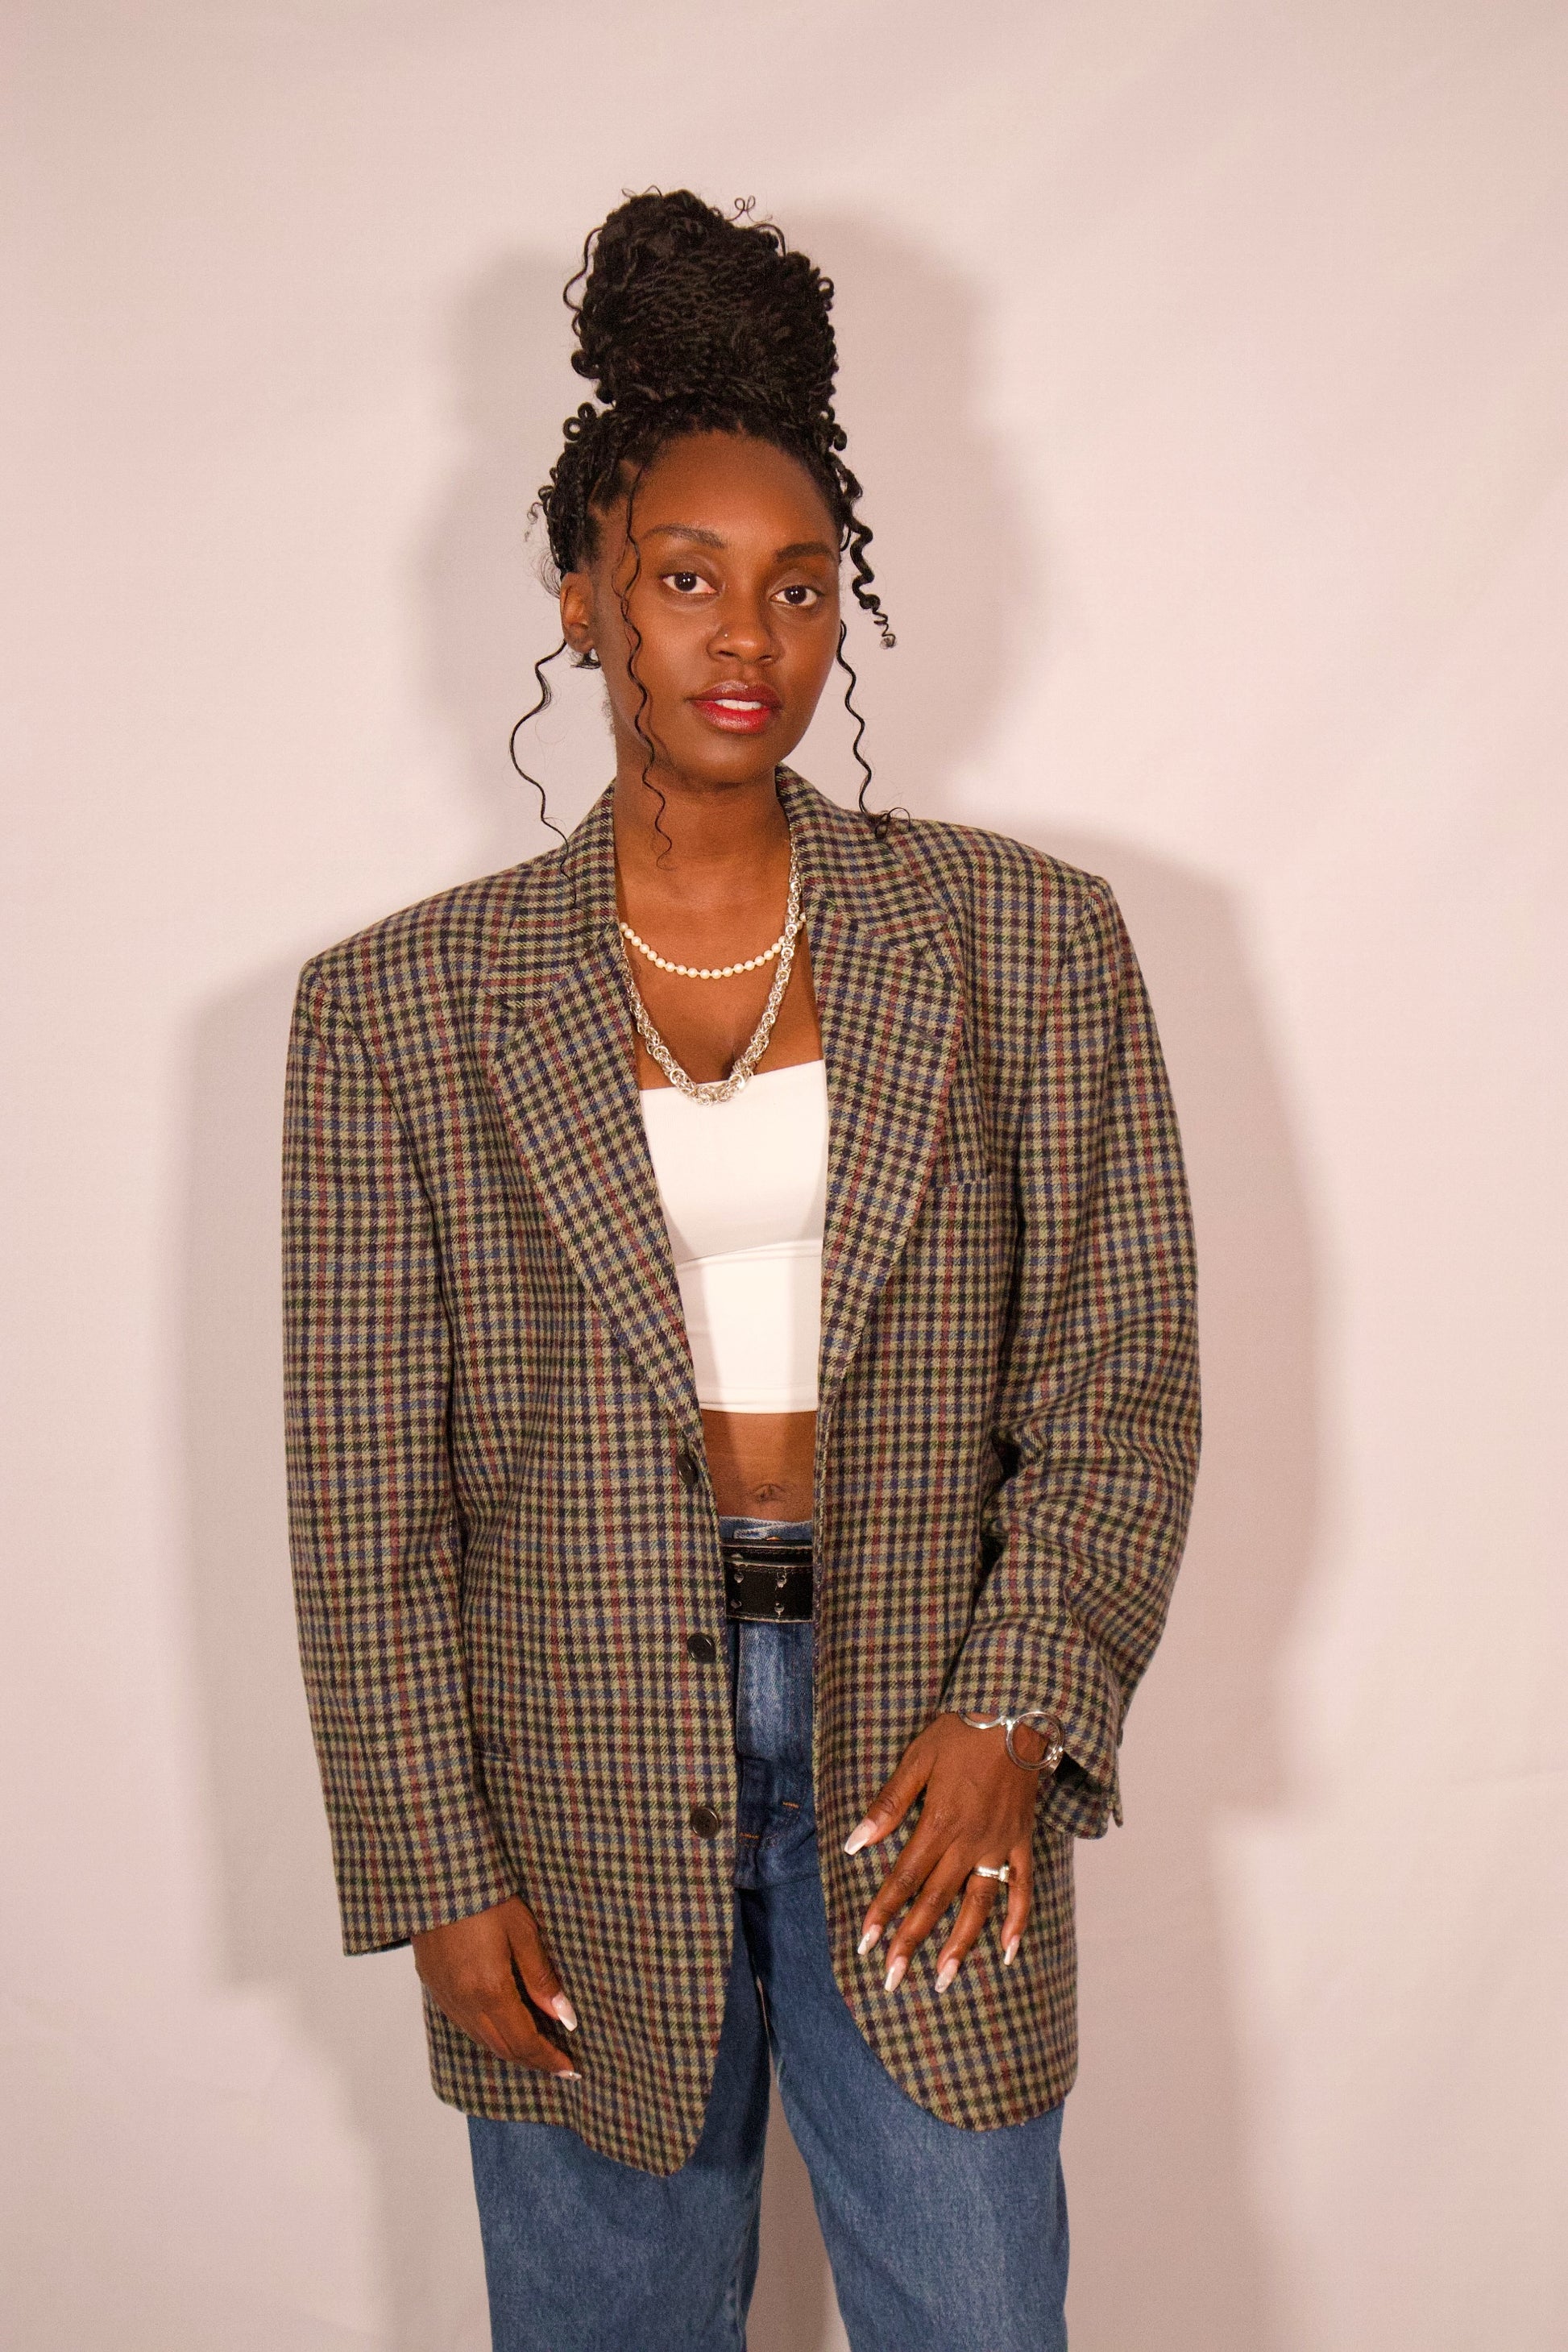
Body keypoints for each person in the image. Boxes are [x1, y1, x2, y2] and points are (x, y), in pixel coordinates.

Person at [282, 189, 1200, 2352]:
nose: (746, 638)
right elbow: (362, 1496)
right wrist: (435, 1870)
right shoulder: (397, 1009)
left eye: (798, 586)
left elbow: (1121, 1374)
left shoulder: (1026, 943)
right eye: (686, 577)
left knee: (979, 2318)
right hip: (568, 1774)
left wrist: (1017, 1707)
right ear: (581, 590)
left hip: (921, 1752)